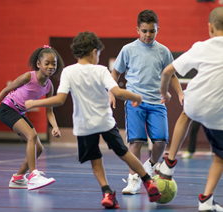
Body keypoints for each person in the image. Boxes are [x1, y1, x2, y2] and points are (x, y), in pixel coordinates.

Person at [25, 31, 161, 209]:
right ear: (93, 52)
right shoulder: (101, 70)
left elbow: (59, 99)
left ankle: (106, 193)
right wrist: (136, 97)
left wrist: (35, 102)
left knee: (95, 159)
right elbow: (118, 92)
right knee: (124, 153)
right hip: (105, 122)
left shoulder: (68, 71)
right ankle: (148, 181)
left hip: (84, 126)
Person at [110, 9, 184, 195]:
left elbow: (172, 75)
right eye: (144, 31)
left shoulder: (164, 51)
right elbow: (115, 72)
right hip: (135, 102)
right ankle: (133, 179)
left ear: (158, 29)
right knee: (136, 142)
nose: (148, 35)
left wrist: (181, 94)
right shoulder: (128, 50)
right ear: (137, 30)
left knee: (161, 140)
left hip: (157, 103)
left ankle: (150, 166)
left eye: (152, 31)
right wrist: (112, 92)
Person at [157, 7, 223, 211]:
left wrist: (163, 91)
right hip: (218, 111)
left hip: (194, 101)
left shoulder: (201, 46)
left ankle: (168, 163)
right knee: (220, 158)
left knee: (185, 115)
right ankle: (206, 200)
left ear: (210, 27)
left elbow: (168, 70)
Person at [0, 45, 64, 191]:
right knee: (32, 135)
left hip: (19, 112)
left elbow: (49, 111)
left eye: (54, 64)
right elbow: (5, 90)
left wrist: (55, 126)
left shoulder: (49, 86)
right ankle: (33, 176)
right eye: (47, 63)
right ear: (39, 64)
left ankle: (18, 178)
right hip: (7, 109)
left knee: (38, 148)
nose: (51, 67)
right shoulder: (28, 77)